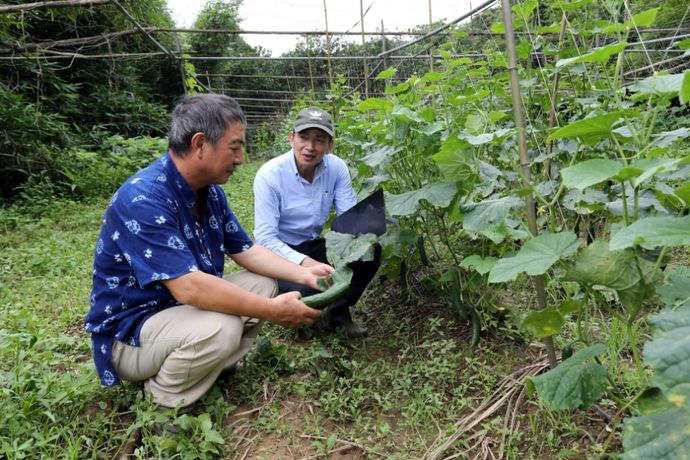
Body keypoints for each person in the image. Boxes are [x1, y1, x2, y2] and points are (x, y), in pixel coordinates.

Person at [84, 94, 333, 410]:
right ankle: (164, 405)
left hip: (173, 313)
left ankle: (216, 367)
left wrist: (305, 272)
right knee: (224, 326)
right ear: (200, 144)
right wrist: (273, 311)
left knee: (264, 283)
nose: (241, 158)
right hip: (131, 334)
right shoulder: (144, 199)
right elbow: (190, 287)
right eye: (235, 147)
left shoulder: (209, 192)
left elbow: (247, 250)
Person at [253, 106, 381, 339]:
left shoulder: (336, 168)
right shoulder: (269, 175)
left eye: (319, 140)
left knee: (369, 252)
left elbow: (347, 219)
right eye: (303, 137)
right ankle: (288, 295)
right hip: (278, 251)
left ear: (330, 145)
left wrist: (370, 223)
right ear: (291, 138)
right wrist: (306, 263)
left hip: (314, 243)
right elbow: (265, 239)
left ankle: (339, 313)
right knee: (309, 289)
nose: (310, 147)